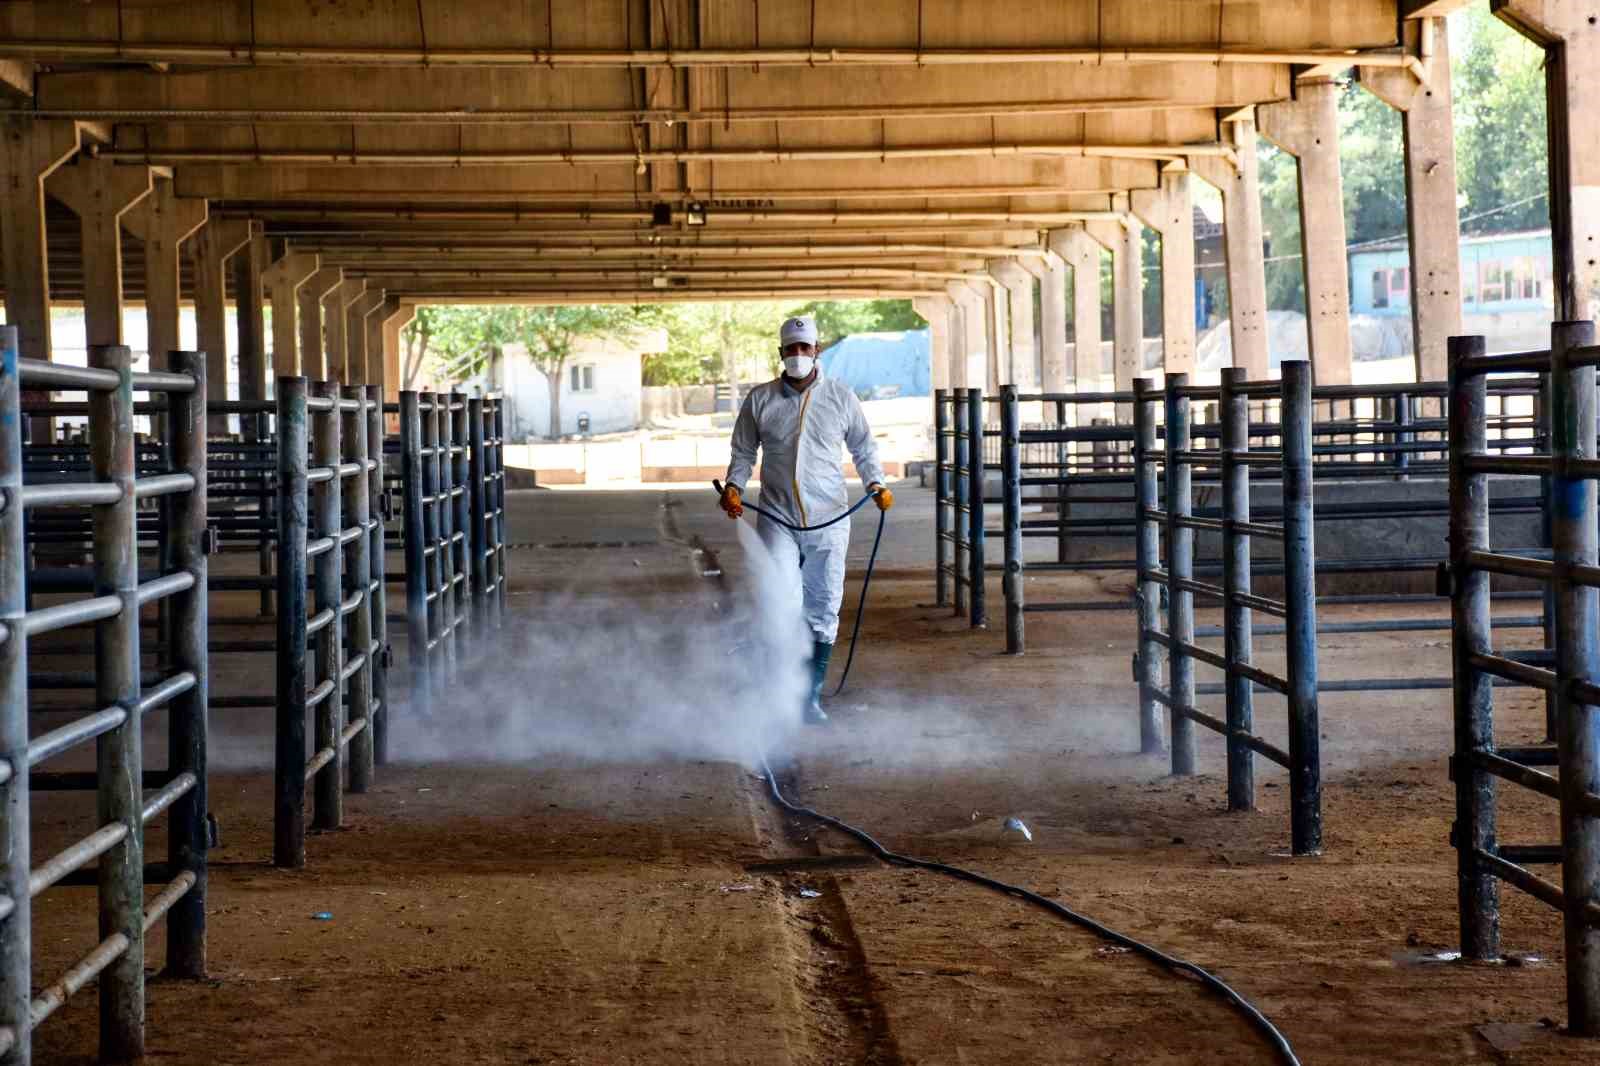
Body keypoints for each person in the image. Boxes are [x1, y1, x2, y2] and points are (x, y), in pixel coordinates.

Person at [720, 315, 892, 725]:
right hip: (778, 515)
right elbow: (743, 452)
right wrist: (733, 486)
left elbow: (864, 447)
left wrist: (876, 483)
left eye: (804, 348)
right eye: (791, 349)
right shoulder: (760, 400)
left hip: (830, 517)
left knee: (823, 605)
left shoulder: (841, 397)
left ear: (817, 351)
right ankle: (782, 688)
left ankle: (808, 698)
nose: (797, 355)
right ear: (780, 353)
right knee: (779, 601)